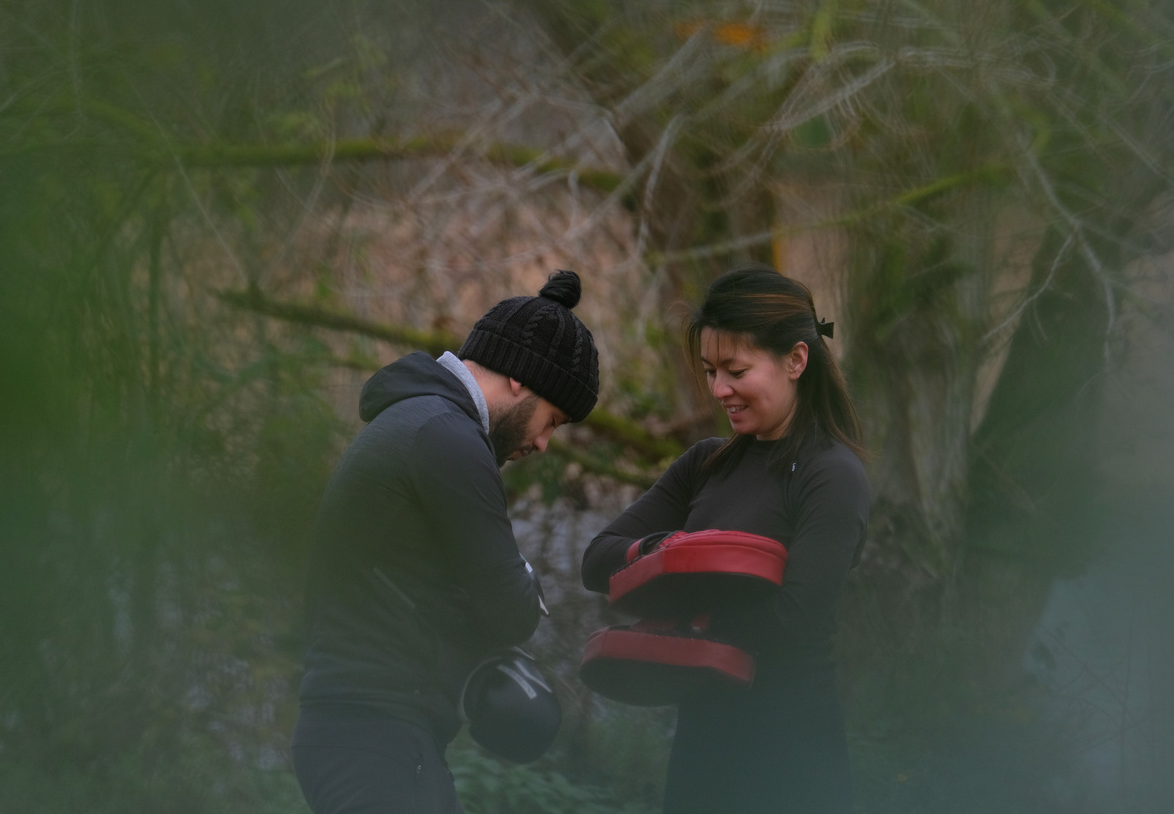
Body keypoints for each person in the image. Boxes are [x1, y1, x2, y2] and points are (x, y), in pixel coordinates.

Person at [294, 271, 599, 814]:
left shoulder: (417, 420)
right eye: (552, 420)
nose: (545, 443)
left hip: (363, 731)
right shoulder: (446, 438)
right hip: (378, 735)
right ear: (521, 381)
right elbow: (511, 612)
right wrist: (520, 585)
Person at [581, 266, 871, 814]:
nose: (719, 390)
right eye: (712, 371)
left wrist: (686, 616)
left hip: (790, 758)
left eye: (736, 370)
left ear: (796, 361)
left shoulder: (831, 474)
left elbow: (795, 619)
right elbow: (598, 559)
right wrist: (668, 552)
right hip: (701, 745)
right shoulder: (706, 463)